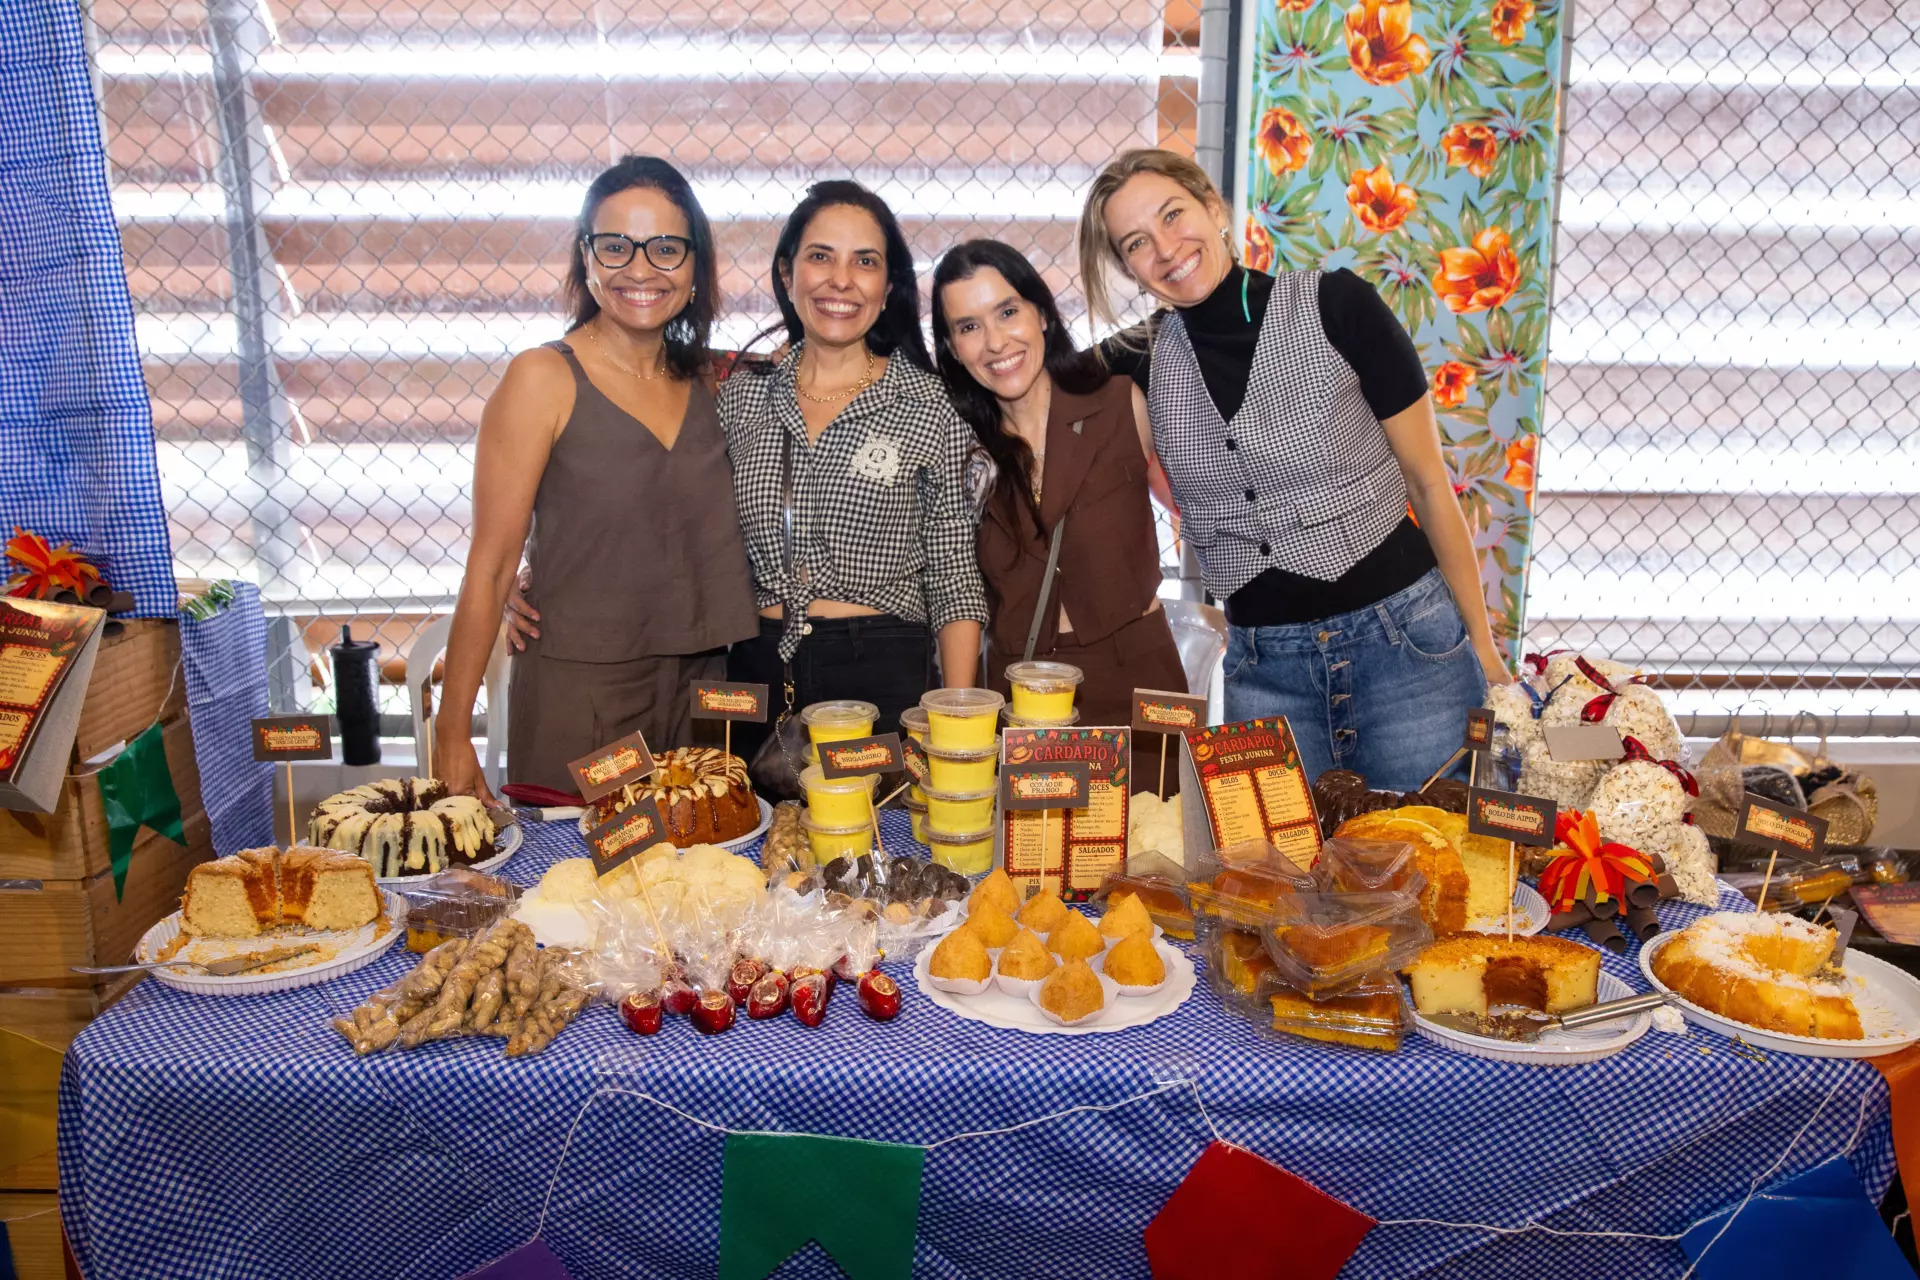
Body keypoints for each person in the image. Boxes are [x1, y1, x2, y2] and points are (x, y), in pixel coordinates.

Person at [1077, 149, 1512, 792]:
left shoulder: (1339, 306)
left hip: (1407, 649)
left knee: (1432, 848)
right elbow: (1023, 380)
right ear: (1126, 267)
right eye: (1137, 242)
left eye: (1173, 215)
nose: (1166, 249)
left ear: (1214, 208)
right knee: (1277, 858)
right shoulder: (1134, 359)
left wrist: (1483, 647)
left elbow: (1427, 483)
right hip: (1265, 672)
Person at [434, 155, 758, 802]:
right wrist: (452, 731)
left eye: (665, 248)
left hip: (706, 692)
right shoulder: (542, 378)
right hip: (582, 695)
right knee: (577, 867)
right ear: (586, 259)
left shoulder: (721, 382)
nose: (640, 269)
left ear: (696, 266)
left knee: (709, 864)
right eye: (615, 246)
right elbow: (490, 568)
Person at [719, 180, 989, 757]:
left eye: (865, 262)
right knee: (739, 818)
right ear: (787, 274)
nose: (841, 280)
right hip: (756, 673)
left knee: (878, 820)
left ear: (887, 288)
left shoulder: (928, 404)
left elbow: (954, 577)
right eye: (821, 256)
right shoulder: (742, 399)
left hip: (881, 670)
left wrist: (957, 725)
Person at [929, 239, 1188, 738]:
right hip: (1019, 695)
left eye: (1008, 312)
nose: (995, 342)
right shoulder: (955, 447)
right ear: (953, 348)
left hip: (1136, 682)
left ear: (1043, 314)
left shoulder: (1121, 404)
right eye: (969, 327)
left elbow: (1199, 505)